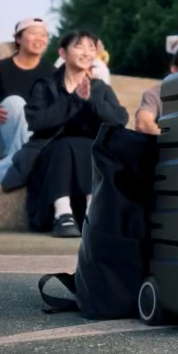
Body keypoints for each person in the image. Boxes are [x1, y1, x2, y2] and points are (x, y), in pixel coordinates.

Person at [23, 31, 128, 237]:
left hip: (90, 158)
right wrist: (73, 100)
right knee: (67, 145)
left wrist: (90, 100)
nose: (86, 53)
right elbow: (37, 122)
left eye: (91, 47)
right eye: (79, 46)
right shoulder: (46, 85)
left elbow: (119, 120)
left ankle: (92, 211)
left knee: (87, 146)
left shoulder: (100, 88)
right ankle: (62, 213)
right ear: (63, 52)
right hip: (51, 157)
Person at [0, 18, 56, 183]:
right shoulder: (0, 68)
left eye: (43, 35)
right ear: (18, 38)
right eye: (33, 33)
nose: (39, 38)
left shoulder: (52, 73)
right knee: (15, 103)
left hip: (30, 135)